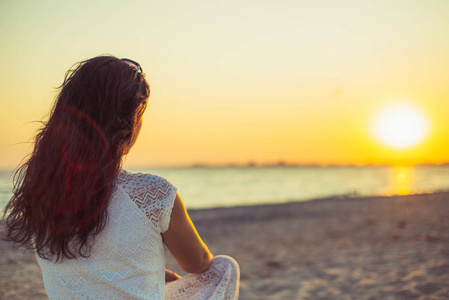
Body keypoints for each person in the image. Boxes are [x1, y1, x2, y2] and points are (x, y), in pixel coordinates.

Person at [3, 55, 239, 299]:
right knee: (224, 267)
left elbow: (90, 264)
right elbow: (198, 262)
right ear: (128, 124)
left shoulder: (39, 193)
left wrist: (150, 270)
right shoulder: (152, 193)